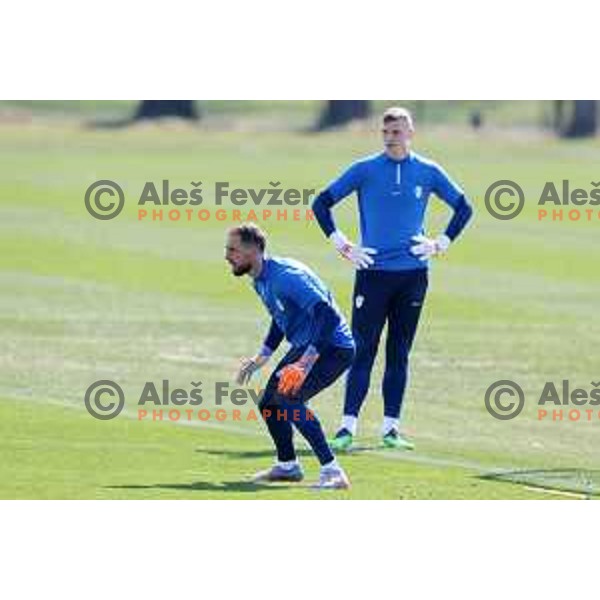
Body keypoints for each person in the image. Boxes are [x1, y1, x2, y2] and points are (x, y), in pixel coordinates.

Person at [312, 106, 473, 451]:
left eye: (397, 132)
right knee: (362, 350)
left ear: (410, 133)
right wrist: (342, 244)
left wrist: (439, 243)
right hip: (373, 274)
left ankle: (390, 429)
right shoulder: (365, 170)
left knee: (399, 351)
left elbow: (465, 207)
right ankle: (346, 428)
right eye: (386, 132)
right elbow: (321, 203)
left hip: (413, 275)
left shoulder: (428, 172)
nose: (390, 138)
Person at [226, 223, 355, 489]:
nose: (227, 255)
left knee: (288, 398)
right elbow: (280, 315)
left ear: (253, 251)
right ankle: (288, 466)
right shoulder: (260, 278)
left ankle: (333, 472)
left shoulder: (286, 277)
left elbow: (328, 316)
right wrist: (263, 356)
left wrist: (305, 362)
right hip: (308, 344)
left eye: (233, 250)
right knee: (269, 403)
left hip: (332, 346)